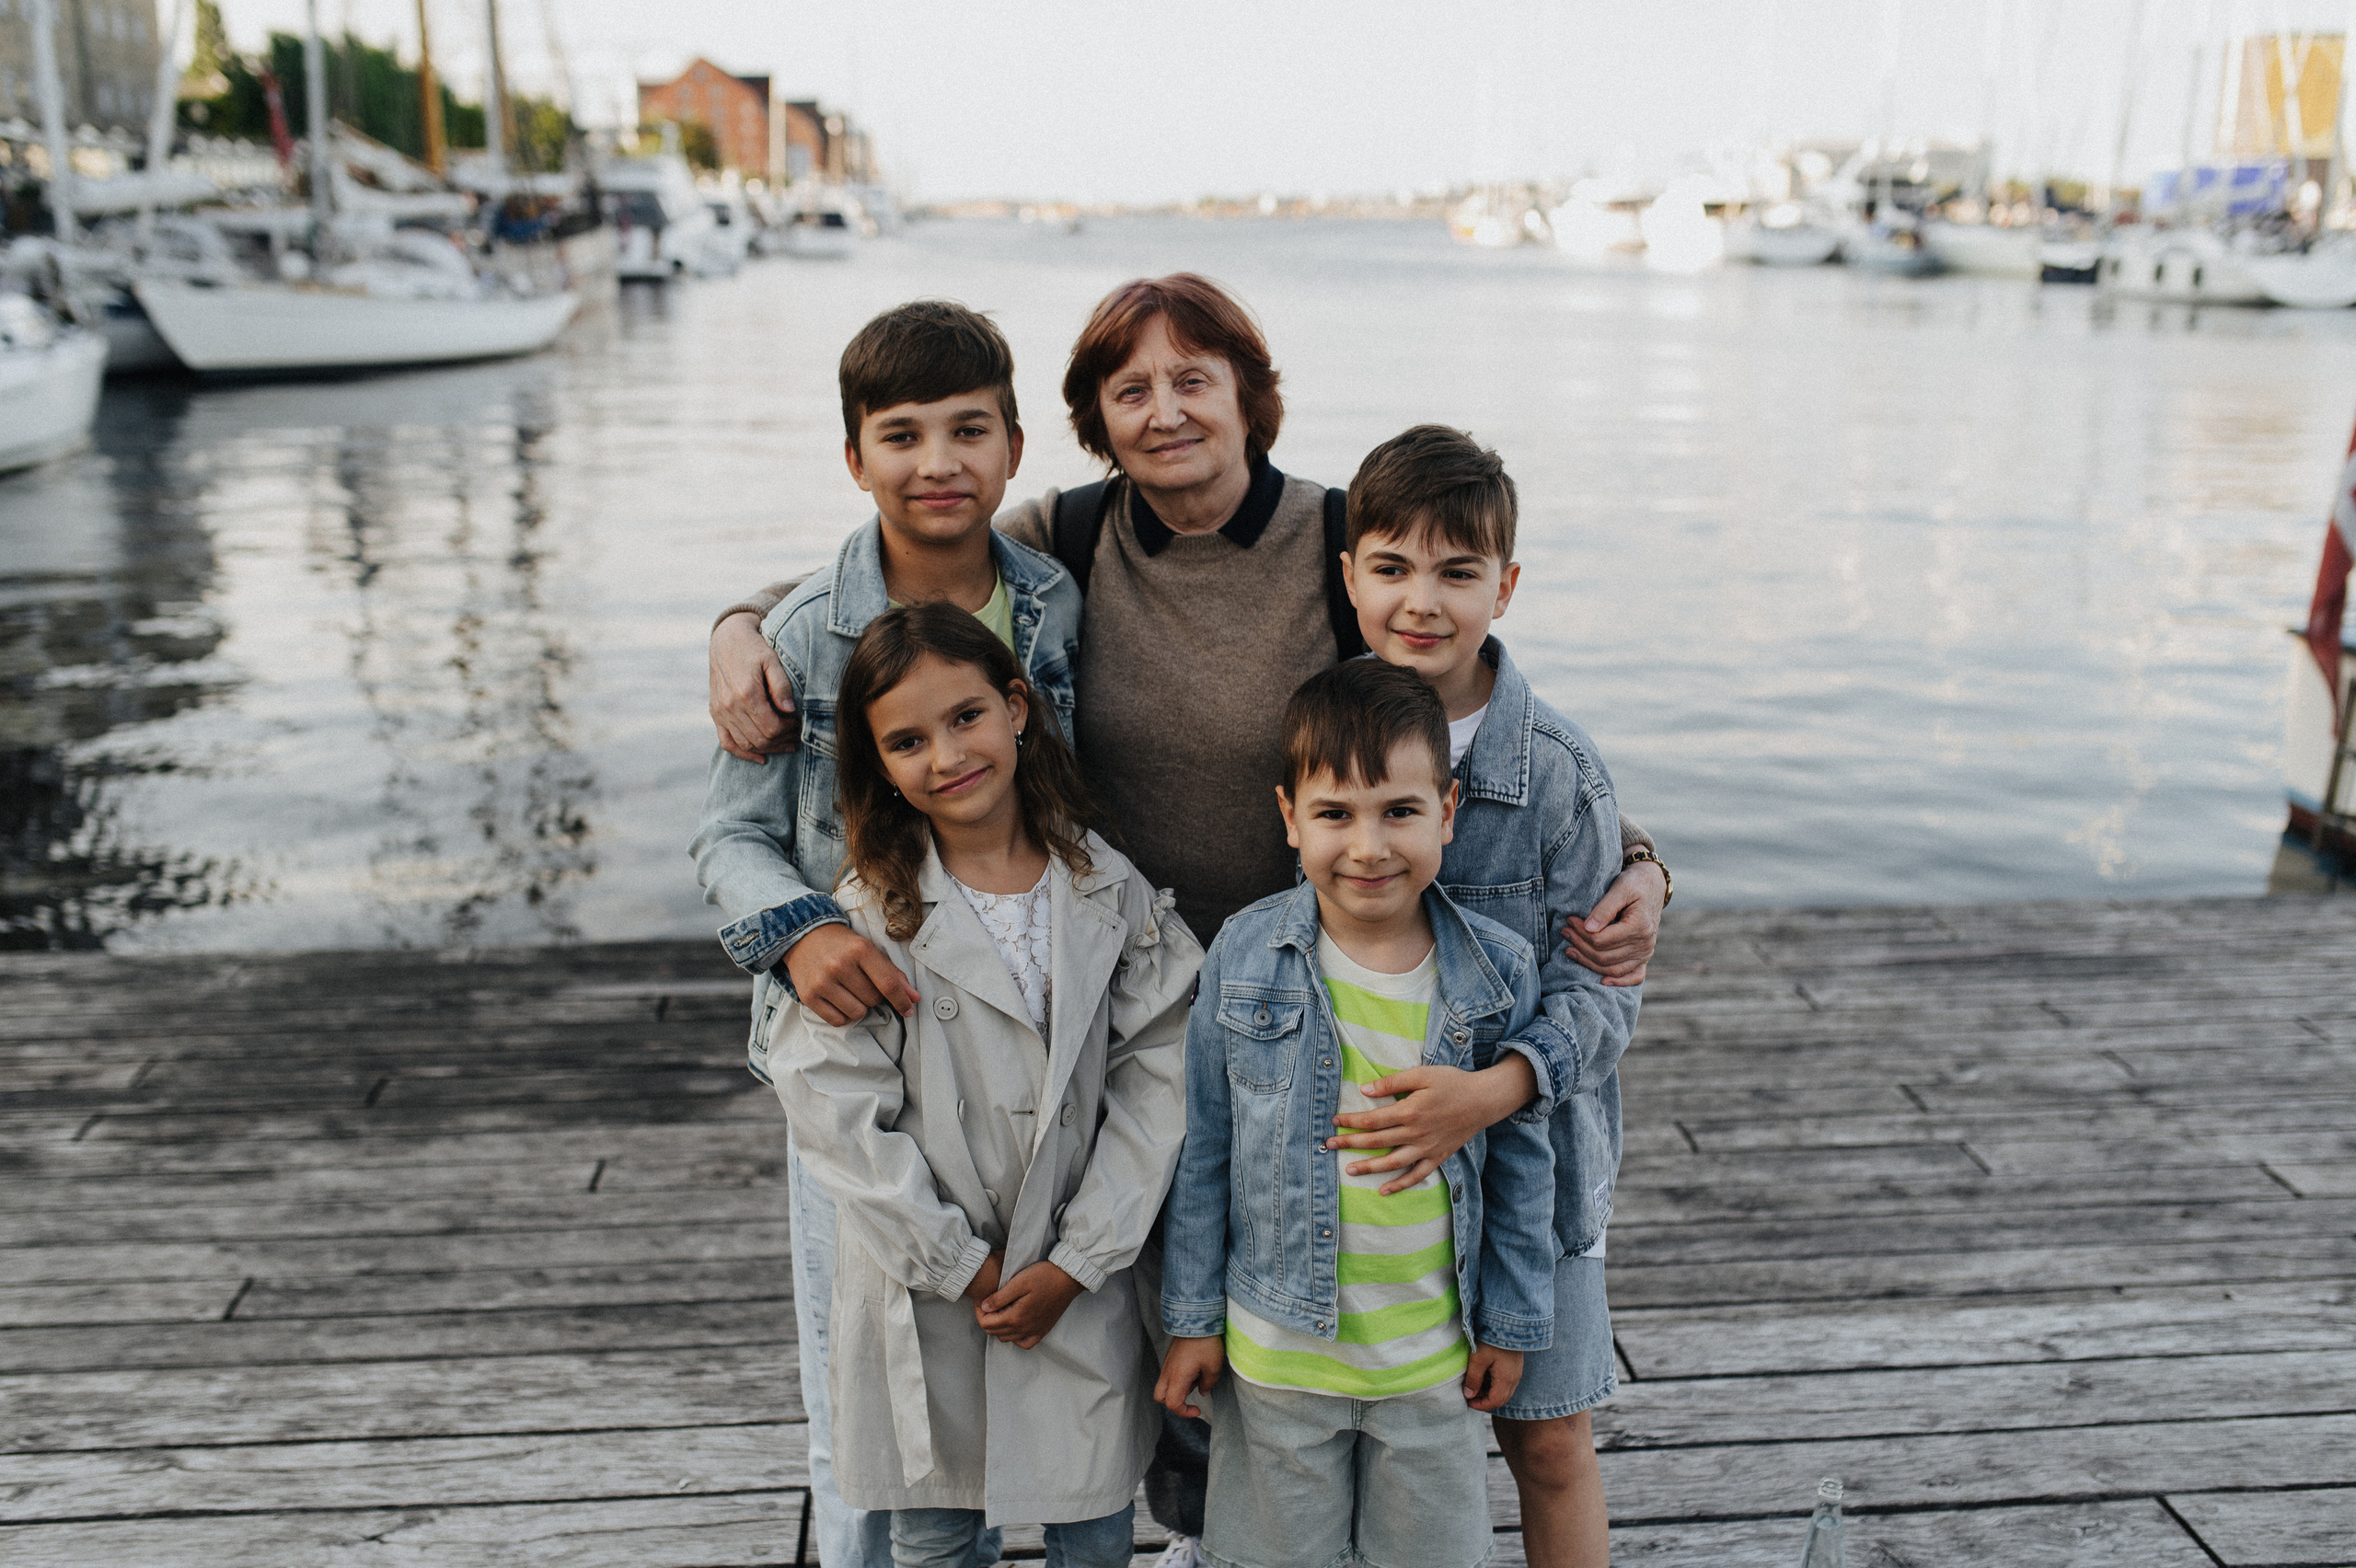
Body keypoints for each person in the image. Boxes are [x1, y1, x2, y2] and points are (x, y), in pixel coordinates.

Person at [704, 273, 1669, 1563]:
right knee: (1128, 1348)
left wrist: (1644, 858)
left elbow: (1474, 691)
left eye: (1194, 380)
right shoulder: (1072, 537)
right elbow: (914, 555)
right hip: (1117, 1004)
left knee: (1333, 1365)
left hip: (1325, 990)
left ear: (1251, 396)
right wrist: (732, 627)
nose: (1165, 413)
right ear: (1094, 421)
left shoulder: (1344, 542)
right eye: (1129, 390)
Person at [690, 299, 1085, 1568]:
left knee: (1033, 1363)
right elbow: (726, 838)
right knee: (860, 1389)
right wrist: (798, 932)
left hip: (1018, 1052)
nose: (938, 463)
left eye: (969, 430)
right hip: (865, 1053)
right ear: (855, 459)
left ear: (1016, 450)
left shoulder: (1053, 604)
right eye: (900, 436)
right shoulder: (805, 633)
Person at [769, 603, 1198, 1568]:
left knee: (1091, 1521)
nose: (947, 754)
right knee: (935, 1530)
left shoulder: (1107, 892)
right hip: (928, 1289)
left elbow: (1158, 1079)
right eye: (908, 740)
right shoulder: (868, 918)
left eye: (965, 717)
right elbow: (837, 1116)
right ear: (878, 764)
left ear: (1017, 709)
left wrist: (1079, 1256)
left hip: (1075, 1272)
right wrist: (956, 1261)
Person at [1321, 425, 1644, 1568]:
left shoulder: (1556, 770)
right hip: (1374, 1166)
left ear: (1504, 586)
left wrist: (1495, 1090)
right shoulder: (1324, 737)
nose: (1423, 600)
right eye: (1393, 566)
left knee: (1547, 1439)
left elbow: (1603, 996)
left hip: (1530, 1166)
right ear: (1349, 574)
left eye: (1459, 573)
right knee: (1371, 1439)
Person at [1153, 659, 1558, 1568]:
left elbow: (1524, 1164)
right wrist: (1190, 1320)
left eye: (1399, 812)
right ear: (1290, 817)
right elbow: (1205, 1150)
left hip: (1429, 1357)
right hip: (1276, 1357)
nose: (1368, 846)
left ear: (1446, 813)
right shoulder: (1245, 954)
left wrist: (1510, 1320)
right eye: (1335, 814)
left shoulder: (1494, 974)